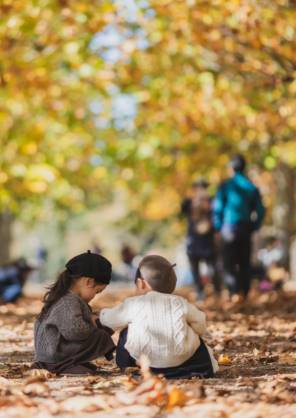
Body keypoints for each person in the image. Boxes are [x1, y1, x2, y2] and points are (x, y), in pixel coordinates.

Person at [99, 255, 219, 379]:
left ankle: (128, 368)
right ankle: (198, 369)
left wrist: (101, 314)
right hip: (183, 362)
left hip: (146, 363)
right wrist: (195, 331)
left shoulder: (134, 303)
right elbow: (200, 321)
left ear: (141, 284)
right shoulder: (180, 303)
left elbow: (110, 320)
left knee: (126, 331)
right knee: (194, 333)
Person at [33, 251, 115, 375]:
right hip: (54, 356)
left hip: (54, 352)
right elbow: (74, 332)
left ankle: (72, 362)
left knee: (101, 331)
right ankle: (64, 365)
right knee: (101, 335)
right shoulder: (68, 301)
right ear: (88, 282)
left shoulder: (67, 298)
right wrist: (92, 323)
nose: (95, 296)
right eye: (97, 291)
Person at [213, 154, 266, 299]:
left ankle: (233, 291)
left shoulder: (225, 186)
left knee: (229, 262)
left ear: (231, 168)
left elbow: (218, 208)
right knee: (244, 261)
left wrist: (217, 226)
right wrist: (254, 226)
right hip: (245, 228)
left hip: (228, 228)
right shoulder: (251, 187)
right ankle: (245, 293)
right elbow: (260, 210)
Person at [181, 179, 221, 300]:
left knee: (212, 268)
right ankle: (201, 292)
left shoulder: (212, 202)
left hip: (206, 241)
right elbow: (182, 209)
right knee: (197, 269)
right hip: (195, 241)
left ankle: (215, 291)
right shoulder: (189, 202)